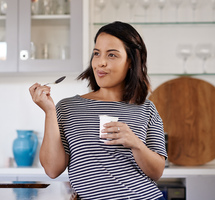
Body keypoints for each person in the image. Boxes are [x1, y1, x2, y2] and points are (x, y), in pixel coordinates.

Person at [29, 21, 167, 200]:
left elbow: (157, 172)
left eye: (112, 55)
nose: (100, 63)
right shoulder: (67, 108)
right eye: (96, 53)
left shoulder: (146, 109)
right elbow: (52, 169)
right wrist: (49, 112)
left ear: (131, 61)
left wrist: (135, 143)